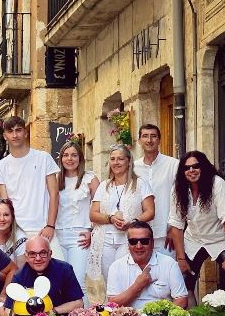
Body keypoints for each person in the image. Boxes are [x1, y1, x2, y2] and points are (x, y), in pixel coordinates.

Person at [169, 151, 225, 295]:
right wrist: (181, 259)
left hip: (219, 239)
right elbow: (176, 225)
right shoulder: (178, 189)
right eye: (186, 168)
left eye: (196, 166)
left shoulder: (217, 184)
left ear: (203, 167)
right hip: (193, 240)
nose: (191, 171)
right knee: (183, 282)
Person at [88, 144, 155, 279]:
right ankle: (112, 301)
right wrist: (110, 218)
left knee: (128, 277)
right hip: (105, 239)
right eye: (112, 159)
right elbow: (93, 214)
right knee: (109, 279)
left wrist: (133, 222)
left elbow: (150, 211)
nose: (116, 162)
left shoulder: (141, 184)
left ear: (128, 161)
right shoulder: (104, 185)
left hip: (129, 239)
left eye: (120, 159)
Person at [0, 116, 61, 242]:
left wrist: (50, 225)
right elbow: (4, 203)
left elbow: (54, 194)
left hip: (42, 228)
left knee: (57, 262)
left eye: (18, 130)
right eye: (10, 131)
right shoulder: (0, 166)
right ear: (4, 135)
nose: (15, 135)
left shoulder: (43, 158)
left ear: (25, 133)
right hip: (16, 231)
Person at [106, 221, 188, 310]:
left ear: (152, 243)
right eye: (133, 241)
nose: (139, 246)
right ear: (128, 244)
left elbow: (181, 300)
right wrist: (137, 286)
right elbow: (112, 304)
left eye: (144, 241)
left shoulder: (169, 264)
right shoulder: (116, 267)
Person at [55, 140, 98, 298]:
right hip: (57, 236)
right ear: (61, 159)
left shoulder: (90, 179)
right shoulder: (55, 178)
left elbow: (101, 207)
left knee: (78, 282)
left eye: (74, 155)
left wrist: (92, 231)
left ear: (80, 158)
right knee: (59, 283)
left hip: (79, 236)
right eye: (66, 155)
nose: (69, 159)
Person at [1, 236, 84, 316]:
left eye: (43, 253)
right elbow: (8, 310)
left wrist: (52, 312)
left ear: (50, 254)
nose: (38, 258)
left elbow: (78, 303)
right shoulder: (19, 276)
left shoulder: (64, 269)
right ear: (26, 256)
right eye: (32, 254)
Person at [133, 124, 179, 255]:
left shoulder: (173, 165)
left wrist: (173, 228)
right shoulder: (133, 168)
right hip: (139, 235)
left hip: (165, 233)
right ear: (139, 140)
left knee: (165, 274)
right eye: (145, 136)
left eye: (153, 136)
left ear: (159, 139)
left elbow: (180, 198)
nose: (149, 140)